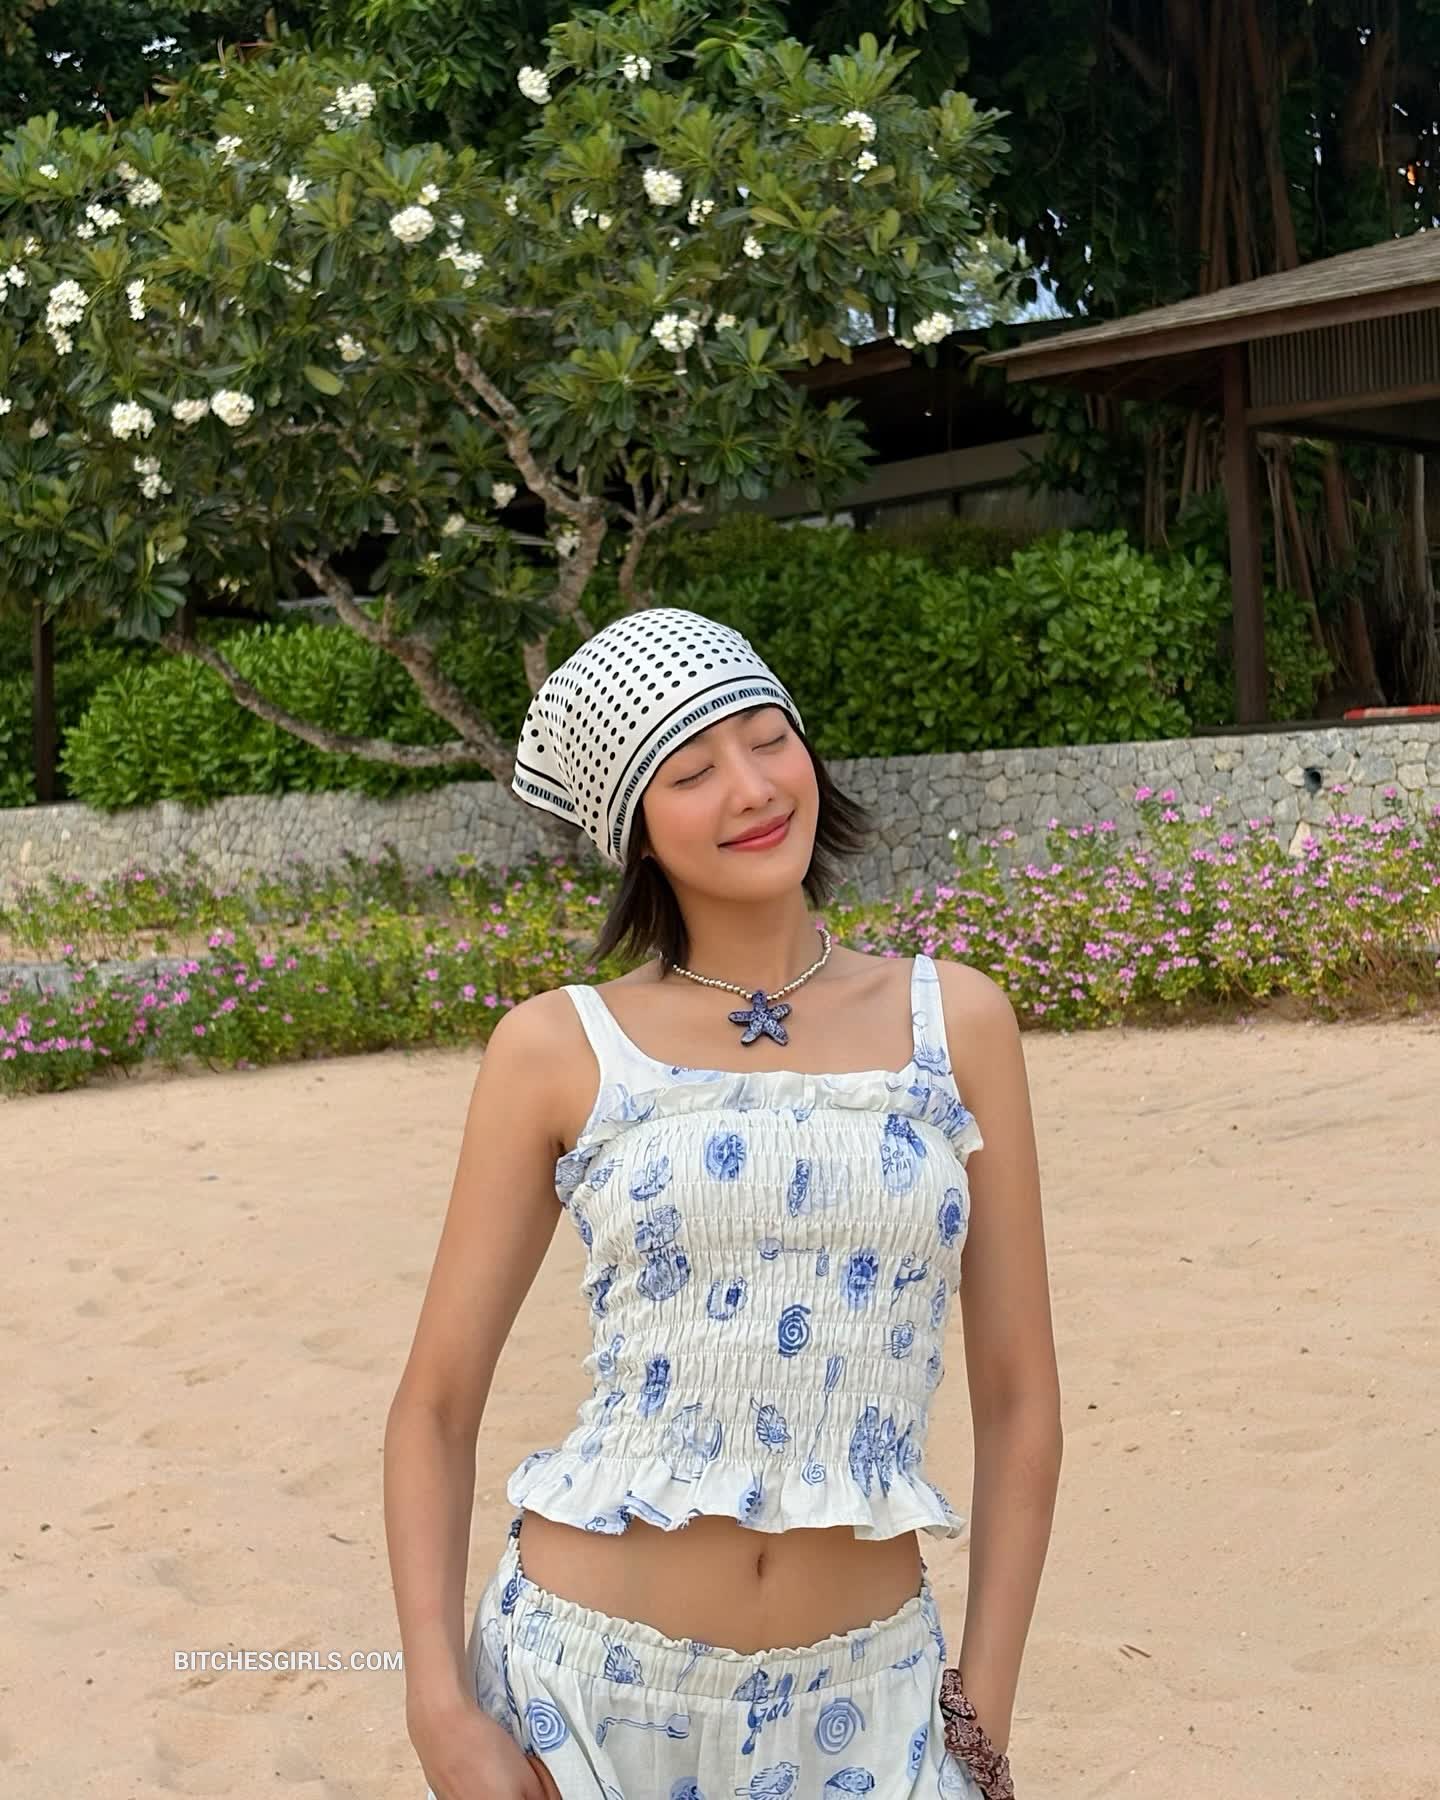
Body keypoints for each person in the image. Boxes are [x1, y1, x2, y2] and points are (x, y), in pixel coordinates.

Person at [386, 608, 1063, 1799]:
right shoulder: (556, 1047)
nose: (751, 788)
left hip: (873, 1704)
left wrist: (979, 1719)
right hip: (584, 1701)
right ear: (637, 832)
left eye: (768, 739)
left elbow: (1020, 1402)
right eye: (692, 771)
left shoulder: (956, 1021)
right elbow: (435, 1408)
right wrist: (440, 1712)